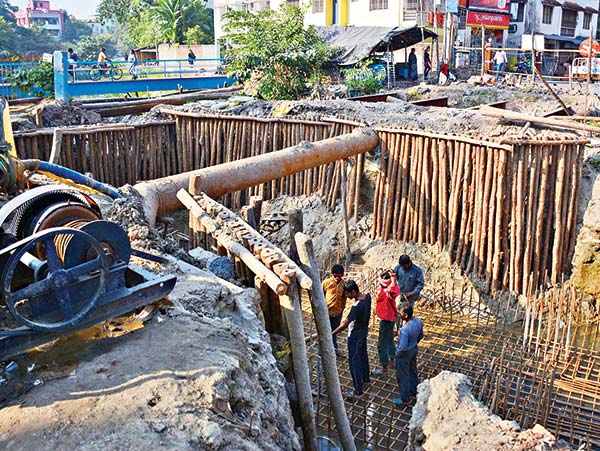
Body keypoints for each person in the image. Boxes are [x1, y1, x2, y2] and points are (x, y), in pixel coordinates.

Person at [332, 280, 371, 399]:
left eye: (348, 294)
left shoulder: (356, 307)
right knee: (363, 356)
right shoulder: (368, 297)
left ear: (354, 291)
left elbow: (344, 324)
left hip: (355, 336)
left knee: (354, 362)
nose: (346, 296)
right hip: (363, 332)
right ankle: (366, 380)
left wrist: (332, 334)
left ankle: (358, 392)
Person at [393, 302, 424, 405]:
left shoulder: (405, 329)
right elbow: (421, 335)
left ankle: (405, 399)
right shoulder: (418, 321)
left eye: (399, 314)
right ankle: (414, 390)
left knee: (403, 376)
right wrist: (414, 343)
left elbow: (402, 347)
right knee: (412, 370)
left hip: (405, 354)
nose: (398, 315)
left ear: (405, 315)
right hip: (414, 349)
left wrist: (397, 355)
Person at [372, 271, 399, 376]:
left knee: (382, 344)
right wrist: (394, 280)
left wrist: (393, 280)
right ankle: (393, 361)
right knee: (390, 340)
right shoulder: (394, 287)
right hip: (391, 318)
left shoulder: (389, 291)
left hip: (386, 319)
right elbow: (393, 287)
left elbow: (391, 289)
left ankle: (384, 369)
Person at [322, 264, 346, 357]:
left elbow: (344, 297)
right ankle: (324, 351)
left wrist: (342, 309)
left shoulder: (344, 284)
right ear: (332, 274)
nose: (337, 277)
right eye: (335, 275)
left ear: (342, 275)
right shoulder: (326, 283)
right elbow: (320, 296)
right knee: (325, 332)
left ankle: (334, 349)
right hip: (327, 312)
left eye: (339, 276)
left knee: (335, 331)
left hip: (338, 312)